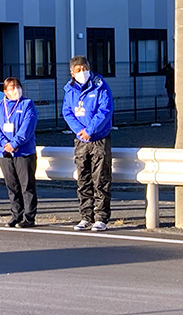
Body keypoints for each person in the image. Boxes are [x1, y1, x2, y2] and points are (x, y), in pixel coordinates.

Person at [62, 56, 114, 232]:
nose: (82, 72)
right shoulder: (69, 90)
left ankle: (101, 217)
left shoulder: (100, 85)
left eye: (84, 68)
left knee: (101, 179)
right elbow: (67, 112)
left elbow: (105, 110)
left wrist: (90, 130)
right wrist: (79, 130)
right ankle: (86, 216)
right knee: (83, 179)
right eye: (78, 70)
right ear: (72, 73)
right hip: (81, 140)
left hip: (99, 138)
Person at [0, 77, 38, 228]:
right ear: (5, 91)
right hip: (5, 153)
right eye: (11, 88)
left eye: (18, 87)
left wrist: (15, 143)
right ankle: (16, 215)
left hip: (24, 152)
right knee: (12, 186)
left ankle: (29, 217)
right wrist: (4, 144)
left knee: (27, 185)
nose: (16, 90)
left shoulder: (27, 104)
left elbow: (27, 127)